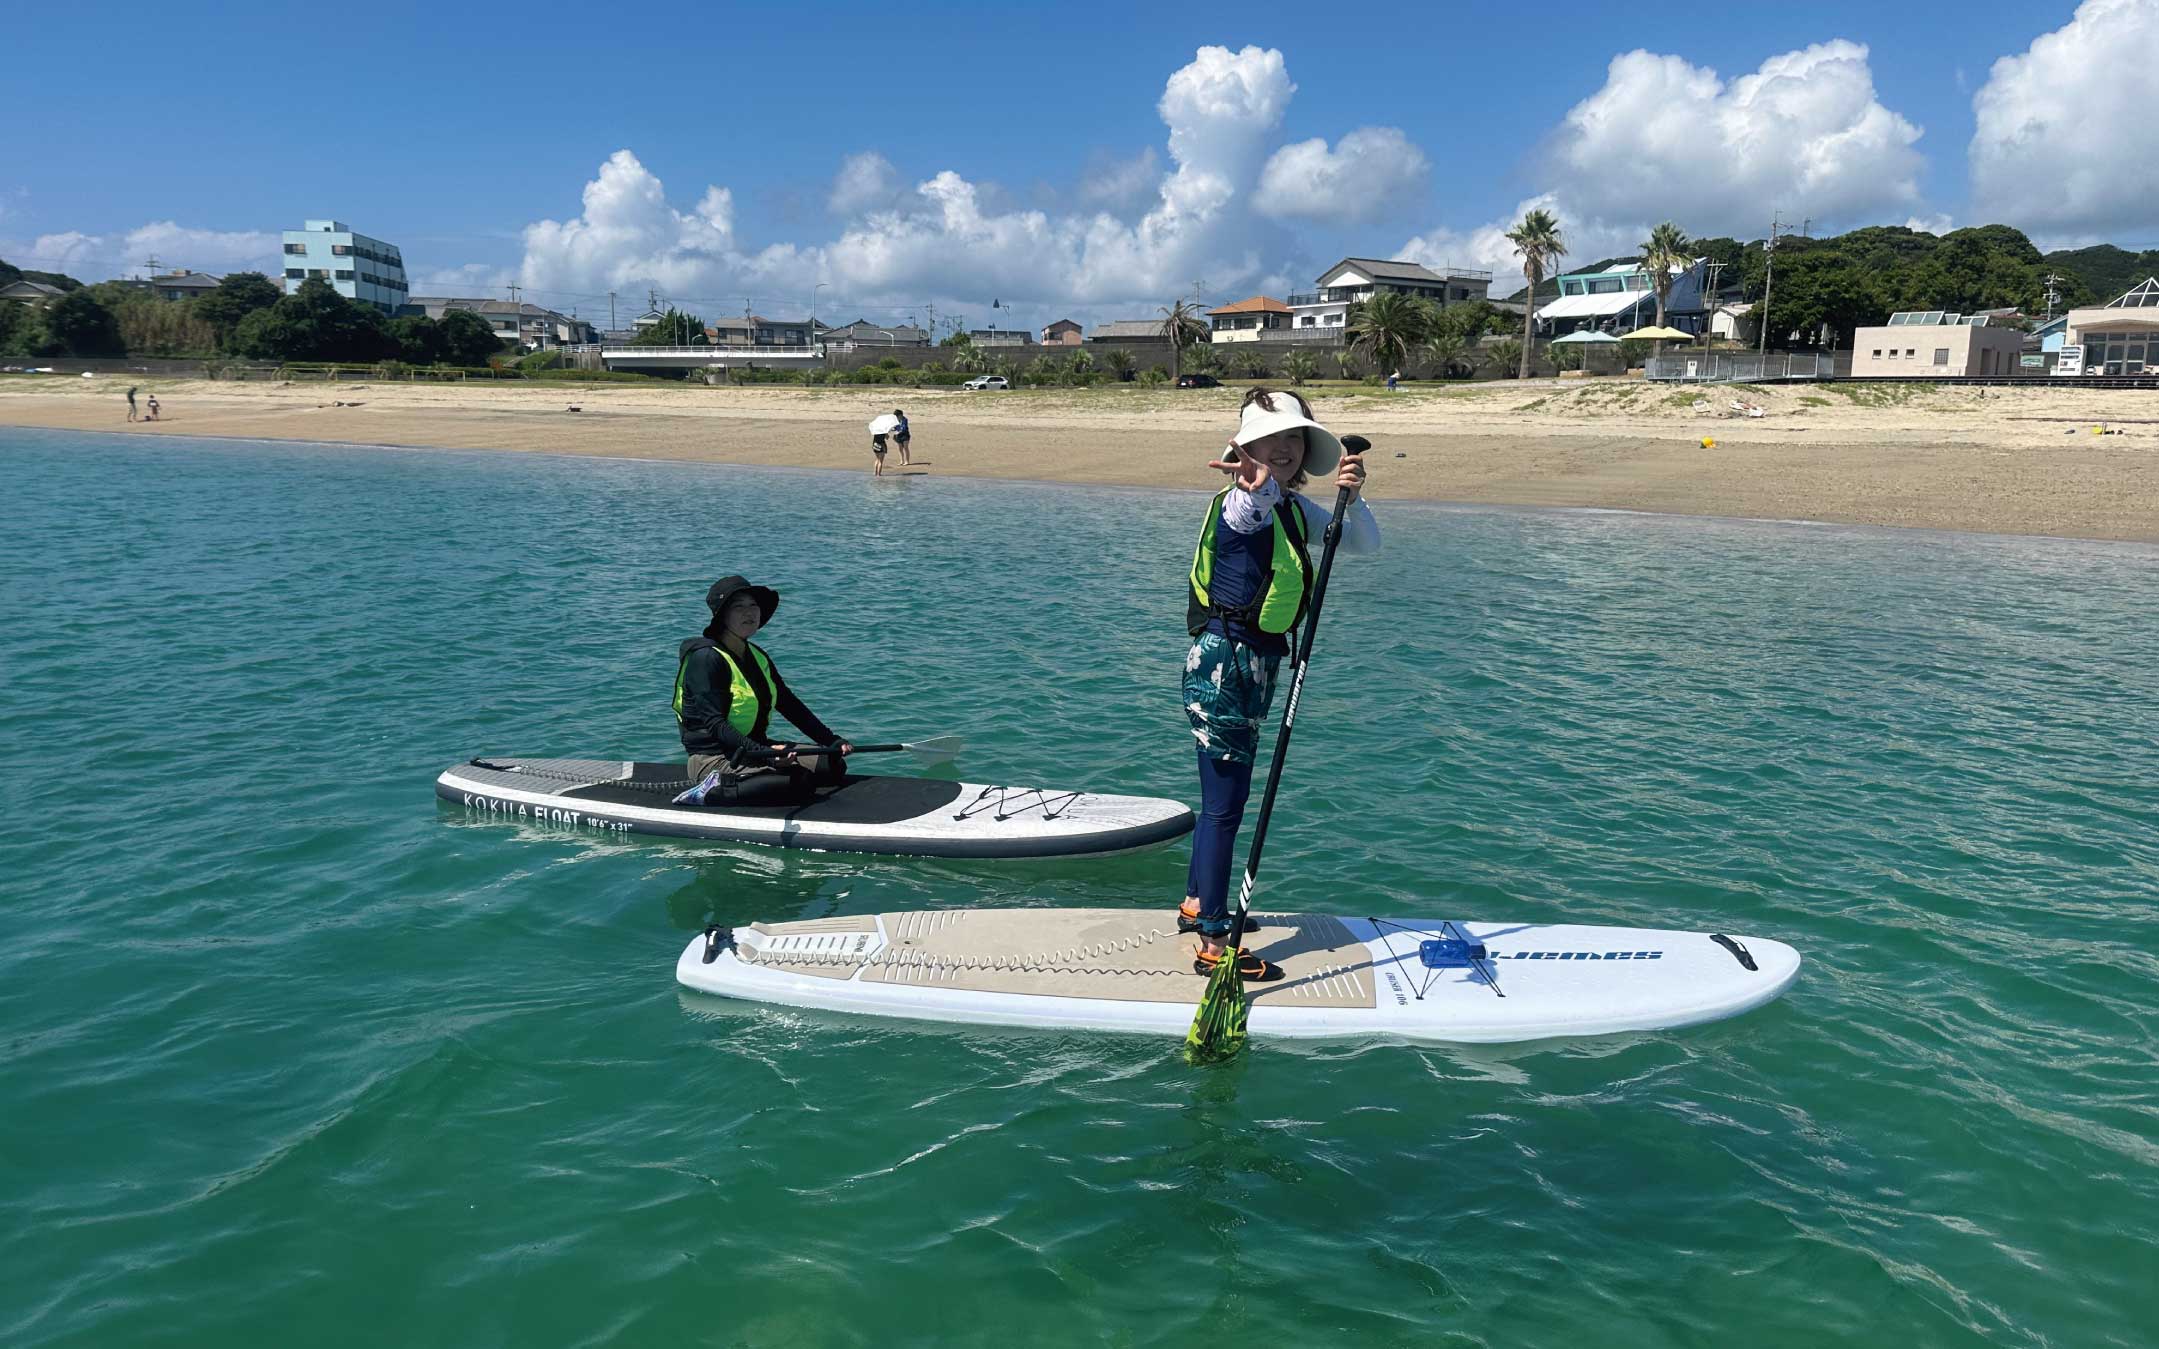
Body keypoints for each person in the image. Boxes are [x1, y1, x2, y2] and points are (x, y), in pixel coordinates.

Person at [1179, 387, 1377, 980]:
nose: (1286, 448)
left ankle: (1196, 902)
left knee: (1222, 803)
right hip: (1223, 665)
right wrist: (1257, 482)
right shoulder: (1245, 502)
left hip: (1256, 664)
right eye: (1273, 437)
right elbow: (1251, 508)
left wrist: (1352, 496)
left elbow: (1365, 543)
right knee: (1225, 808)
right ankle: (1215, 939)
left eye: (1295, 437)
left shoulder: (1295, 510)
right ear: (1246, 447)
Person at [673, 575, 854, 806]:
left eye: (753, 606)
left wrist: (832, 740)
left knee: (832, 764)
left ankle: (763, 774)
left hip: (755, 748)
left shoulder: (756, 655)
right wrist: (766, 754)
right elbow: (715, 724)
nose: (749, 613)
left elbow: (789, 704)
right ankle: (711, 791)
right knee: (799, 782)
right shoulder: (706, 658)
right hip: (714, 756)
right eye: (738, 607)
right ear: (722, 616)